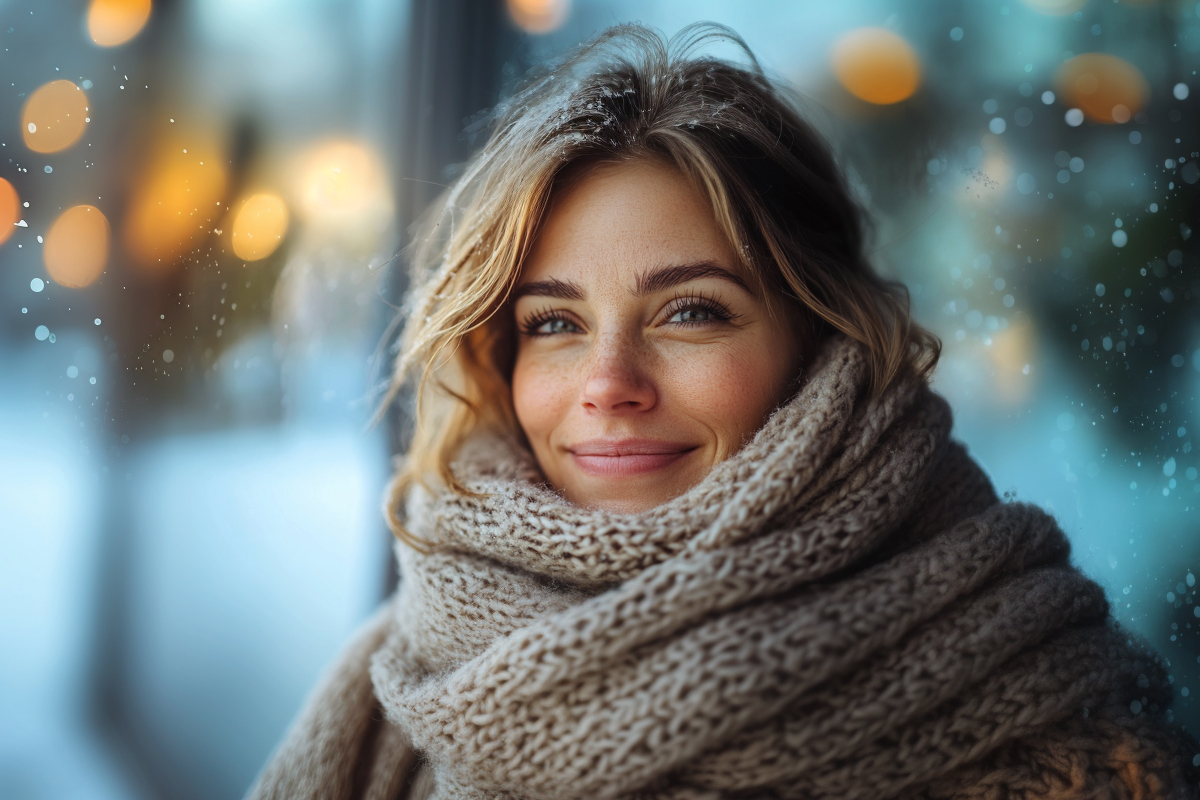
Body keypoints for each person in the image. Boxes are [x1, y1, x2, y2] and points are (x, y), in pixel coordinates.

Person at [248, 23, 1200, 800]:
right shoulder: (408, 676)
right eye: (554, 323)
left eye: (691, 312)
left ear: (824, 341)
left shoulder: (1066, 742)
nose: (609, 382)